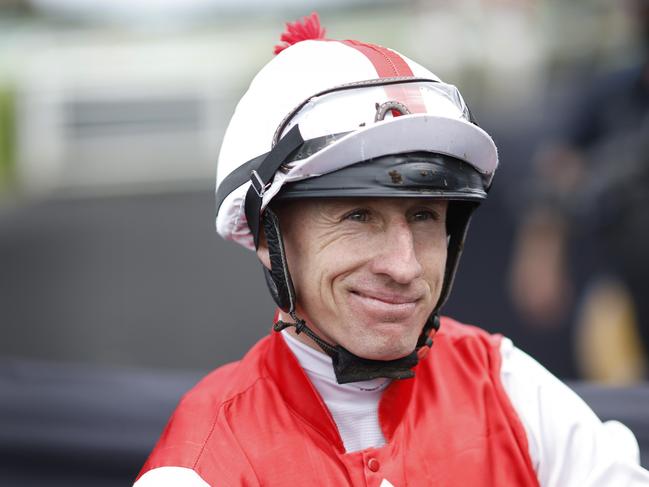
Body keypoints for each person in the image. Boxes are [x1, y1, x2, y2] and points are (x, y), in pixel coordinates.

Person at [135, 13, 649, 486]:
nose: (404, 266)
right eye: (358, 216)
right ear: (269, 237)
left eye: (424, 216)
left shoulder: (510, 385)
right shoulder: (199, 468)